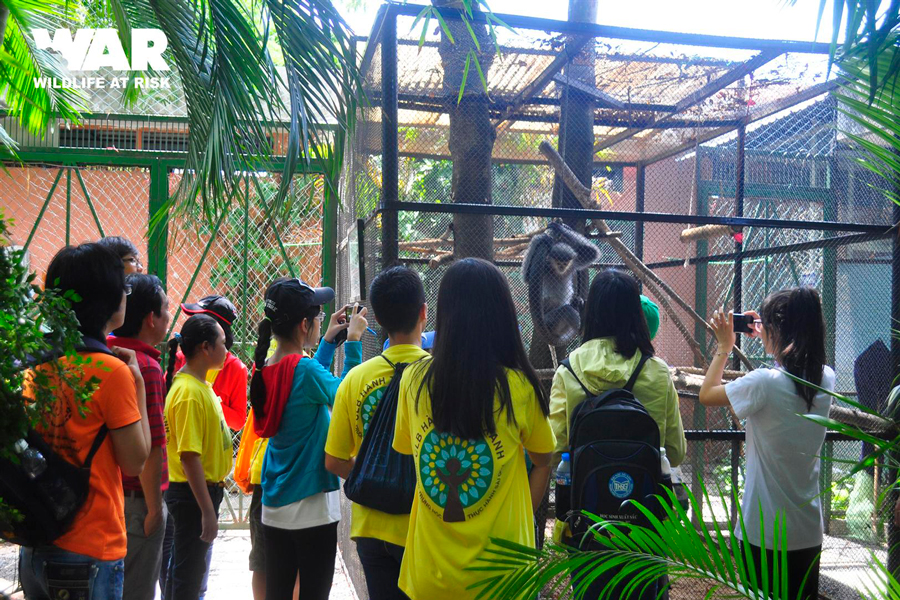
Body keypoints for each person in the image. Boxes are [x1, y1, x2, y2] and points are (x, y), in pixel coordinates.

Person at [392, 258, 555, 600]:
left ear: (443, 313)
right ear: (503, 314)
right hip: (505, 578)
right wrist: (518, 510)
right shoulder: (519, 386)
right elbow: (543, 459)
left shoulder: (414, 379)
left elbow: (412, 453)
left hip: (430, 575)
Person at [19, 243, 151, 600]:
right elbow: (135, 460)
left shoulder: (34, 363)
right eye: (122, 287)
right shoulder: (111, 372)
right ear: (106, 299)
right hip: (90, 547)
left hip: (36, 538)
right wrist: (137, 382)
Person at [549, 269, 685, 599]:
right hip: (645, 523)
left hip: (586, 521)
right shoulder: (656, 371)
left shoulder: (568, 371)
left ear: (591, 311)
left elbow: (554, 449)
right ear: (635, 313)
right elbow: (676, 452)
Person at [700, 287, 833, 600]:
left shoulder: (764, 383)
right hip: (807, 532)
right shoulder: (826, 377)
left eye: (768, 327)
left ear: (781, 330)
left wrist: (724, 347)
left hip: (764, 532)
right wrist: (766, 329)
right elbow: (791, 361)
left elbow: (707, 394)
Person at [251, 278, 367, 600]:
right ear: (305, 325)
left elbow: (307, 383)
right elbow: (346, 397)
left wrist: (328, 341)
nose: (320, 321)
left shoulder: (266, 367)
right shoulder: (303, 370)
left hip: (274, 506)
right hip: (311, 509)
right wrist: (353, 341)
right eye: (317, 317)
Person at [326, 266, 430, 600]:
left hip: (370, 527)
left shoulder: (354, 379)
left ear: (379, 321)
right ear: (423, 313)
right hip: (421, 526)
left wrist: (375, 472)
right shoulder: (438, 377)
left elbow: (333, 460)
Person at [108, 273, 171, 600]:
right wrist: (153, 509)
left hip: (110, 495)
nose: (169, 317)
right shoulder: (145, 366)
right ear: (151, 318)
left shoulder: (109, 354)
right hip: (137, 502)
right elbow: (152, 446)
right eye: (166, 309)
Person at [163, 314, 234, 600]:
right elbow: (189, 457)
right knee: (187, 579)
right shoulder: (189, 393)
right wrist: (207, 511)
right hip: (193, 496)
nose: (227, 348)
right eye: (222, 342)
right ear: (205, 347)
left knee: (184, 572)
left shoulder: (199, 384)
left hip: (198, 494)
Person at [175, 295, 249, 432]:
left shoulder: (236, 368)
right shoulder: (182, 358)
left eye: (198, 321)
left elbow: (238, 421)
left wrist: (207, 399)